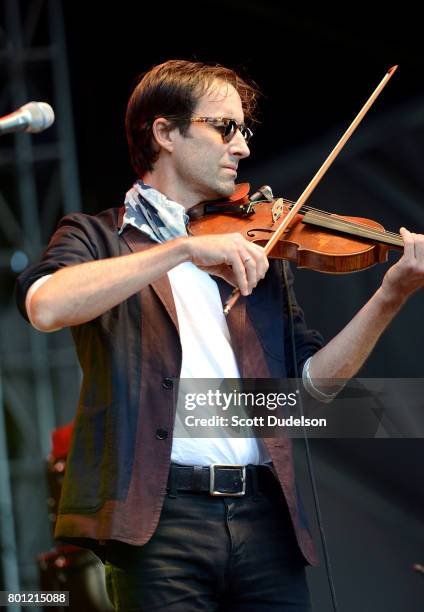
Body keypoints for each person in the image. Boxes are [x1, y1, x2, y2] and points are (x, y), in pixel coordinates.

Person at [15, 60, 424, 611]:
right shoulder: (98, 235)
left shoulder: (254, 250)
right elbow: (46, 305)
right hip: (159, 522)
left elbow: (311, 391)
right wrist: (182, 247)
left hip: (264, 519)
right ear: (164, 132)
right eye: (224, 127)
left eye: (244, 131)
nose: (242, 148)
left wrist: (389, 296)